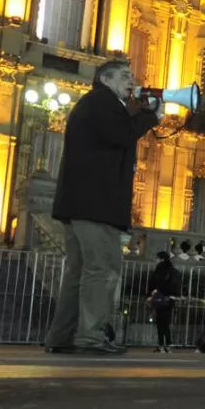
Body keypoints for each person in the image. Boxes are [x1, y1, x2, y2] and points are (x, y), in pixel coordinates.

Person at [45, 59, 161, 355]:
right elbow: (119, 135)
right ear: (105, 79)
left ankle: (61, 336)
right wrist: (151, 118)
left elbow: (115, 133)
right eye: (124, 76)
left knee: (79, 271)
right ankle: (90, 337)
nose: (131, 81)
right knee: (103, 270)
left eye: (132, 75)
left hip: (80, 203)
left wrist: (138, 113)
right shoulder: (101, 102)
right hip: (95, 205)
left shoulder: (98, 104)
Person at [147, 251, 181, 353]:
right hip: (169, 299)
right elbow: (176, 287)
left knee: (161, 323)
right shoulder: (173, 271)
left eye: (156, 258)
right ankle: (166, 345)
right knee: (165, 322)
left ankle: (163, 345)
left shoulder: (160, 270)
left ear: (161, 259)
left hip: (160, 298)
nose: (155, 260)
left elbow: (154, 284)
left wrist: (152, 293)